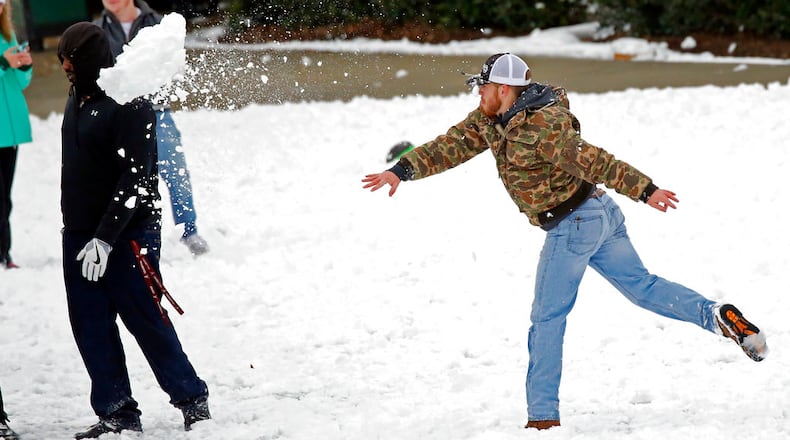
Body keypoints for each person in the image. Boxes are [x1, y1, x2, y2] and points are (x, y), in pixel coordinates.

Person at [362, 53, 768, 430]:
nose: (478, 94)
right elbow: (449, 146)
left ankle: (542, 420)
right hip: (599, 214)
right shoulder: (489, 120)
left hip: (574, 223)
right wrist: (402, 170)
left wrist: (646, 190)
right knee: (642, 287)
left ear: (503, 89)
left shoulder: (545, 125)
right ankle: (716, 315)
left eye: (482, 87)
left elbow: (595, 160)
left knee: (547, 319)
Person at [58, 22, 210, 438]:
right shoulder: (78, 97)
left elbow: (138, 180)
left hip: (128, 236)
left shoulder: (129, 103)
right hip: (79, 235)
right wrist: (81, 233)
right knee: (90, 324)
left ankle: (191, 398)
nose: (65, 67)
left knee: (144, 317)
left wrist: (106, 238)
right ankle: (117, 411)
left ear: (93, 60)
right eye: (63, 59)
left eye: (72, 59)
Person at [94, 0, 209, 256]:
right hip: (117, 118)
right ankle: (118, 235)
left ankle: (189, 231)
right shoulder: (97, 30)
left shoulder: (157, 23)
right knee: (118, 178)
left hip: (157, 113)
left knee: (176, 173)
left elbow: (173, 65)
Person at [0, 0, 32, 269]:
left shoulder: (7, 37)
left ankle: (4, 253)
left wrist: (23, 65)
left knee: (5, 199)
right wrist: (3, 62)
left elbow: (20, 83)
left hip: (9, 133)